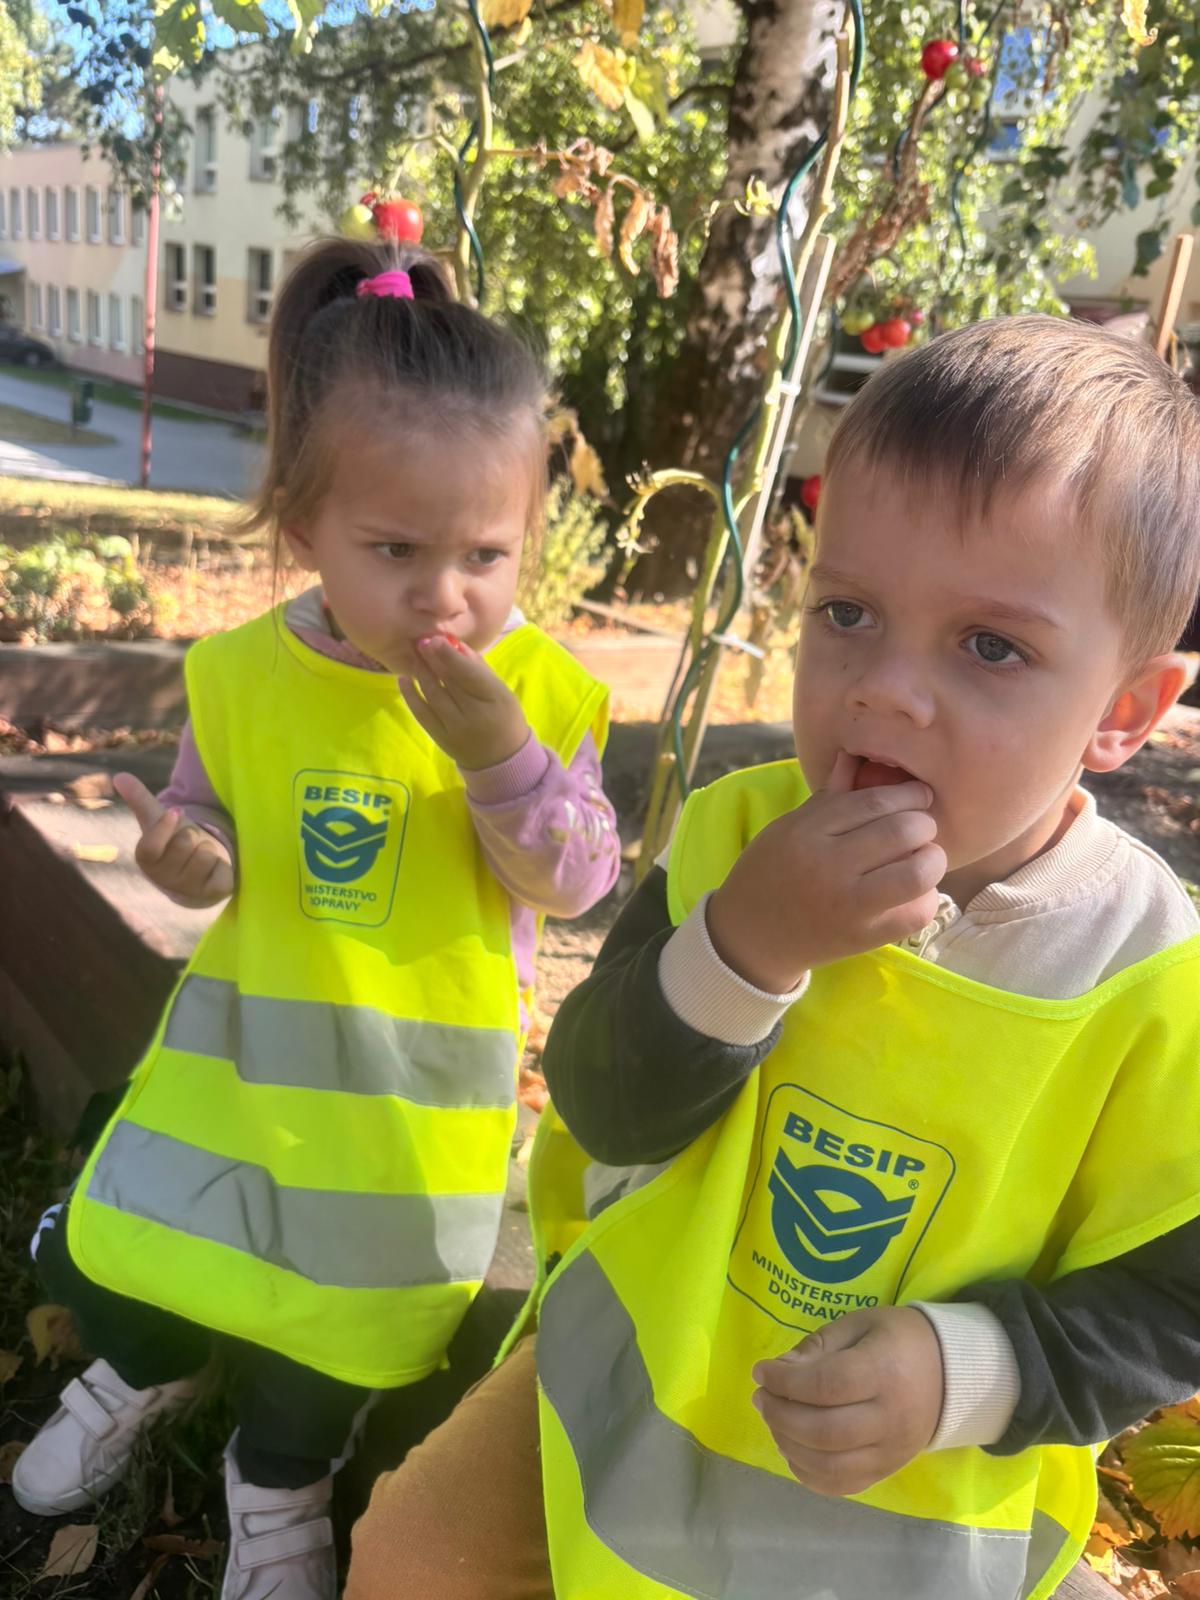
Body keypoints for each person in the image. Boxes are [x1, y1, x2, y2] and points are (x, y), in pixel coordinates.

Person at [345, 315, 1200, 1600]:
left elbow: (1172, 1303)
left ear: (1126, 711)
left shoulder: (1148, 976)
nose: (883, 688)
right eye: (847, 611)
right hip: (630, 1380)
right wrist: (745, 945)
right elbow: (602, 1099)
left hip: (906, 1505)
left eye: (991, 646)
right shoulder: (735, 834)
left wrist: (969, 1371)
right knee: (410, 1557)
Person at [10, 237, 619, 1600]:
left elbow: (578, 878)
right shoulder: (242, 676)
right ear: (304, 531)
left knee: (355, 1315)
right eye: (395, 550)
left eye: (488, 554)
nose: (446, 594)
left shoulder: (540, 693)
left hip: (407, 1109)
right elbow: (212, 820)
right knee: (152, 1247)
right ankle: (146, 1368)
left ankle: (279, 1473)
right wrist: (191, 857)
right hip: (240, 1070)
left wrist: (502, 758)